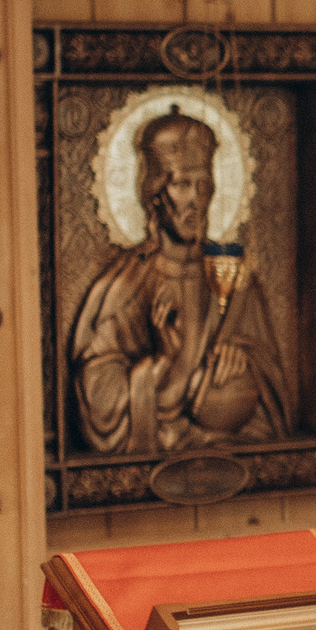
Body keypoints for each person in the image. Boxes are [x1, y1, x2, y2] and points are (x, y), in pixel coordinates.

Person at [69, 109, 291, 457]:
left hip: (223, 449)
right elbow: (98, 401)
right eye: (183, 184)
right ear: (156, 193)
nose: (196, 200)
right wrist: (161, 363)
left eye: (203, 184)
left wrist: (243, 359)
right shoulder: (125, 287)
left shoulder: (234, 279)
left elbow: (275, 398)